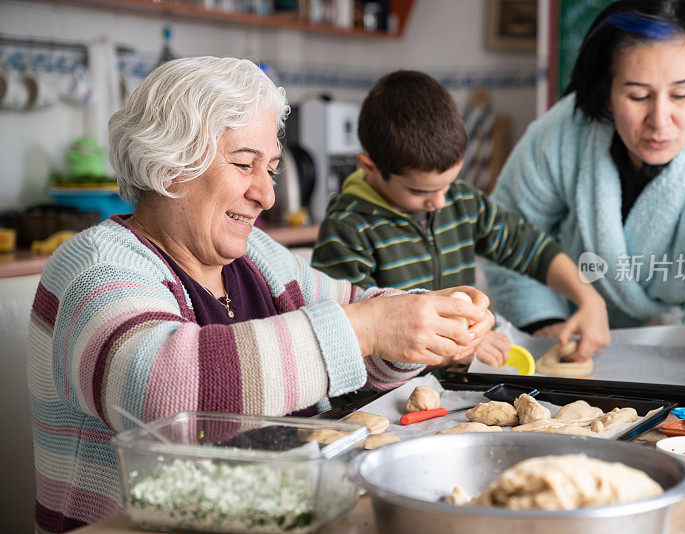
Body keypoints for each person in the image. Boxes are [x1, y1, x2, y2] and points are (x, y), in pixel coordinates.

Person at [27, 57, 495, 533]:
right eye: (244, 164)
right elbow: (163, 395)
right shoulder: (95, 268)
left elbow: (357, 321)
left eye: (270, 169)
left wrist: (423, 318)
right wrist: (367, 329)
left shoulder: (258, 258)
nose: (266, 195)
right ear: (170, 166)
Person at [484, 0, 685, 360]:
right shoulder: (561, 136)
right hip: (575, 343)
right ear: (605, 91)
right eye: (637, 95)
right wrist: (544, 322)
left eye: (681, 94)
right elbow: (505, 236)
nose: (660, 119)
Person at [311, 70, 610, 367]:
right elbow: (347, 337)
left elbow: (528, 247)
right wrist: (458, 349)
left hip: (455, 385)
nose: (440, 201)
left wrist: (589, 299)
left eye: (448, 184)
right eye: (420, 191)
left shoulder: (463, 202)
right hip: (382, 397)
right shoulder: (348, 228)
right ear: (370, 166)